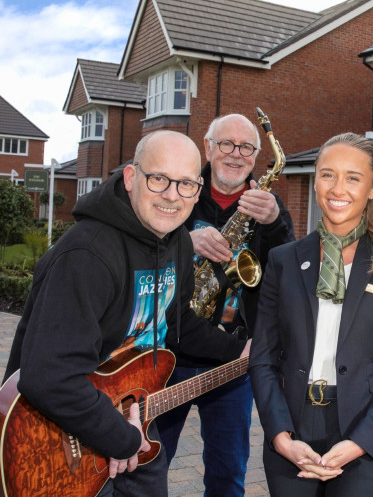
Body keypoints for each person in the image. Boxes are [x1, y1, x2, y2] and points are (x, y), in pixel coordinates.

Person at [3, 130, 249, 496]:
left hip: (128, 423)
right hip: (58, 444)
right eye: (159, 179)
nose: (171, 195)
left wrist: (238, 350)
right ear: (132, 178)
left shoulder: (178, 243)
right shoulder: (87, 255)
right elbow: (49, 376)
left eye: (184, 184)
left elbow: (177, 322)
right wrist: (118, 437)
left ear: (197, 191)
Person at [250, 132, 373, 496]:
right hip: (293, 427)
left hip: (365, 430)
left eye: (353, 177)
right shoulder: (283, 260)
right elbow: (263, 359)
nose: (338, 188)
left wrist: (361, 442)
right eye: (328, 174)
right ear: (315, 181)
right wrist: (281, 437)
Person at [154, 113, 294, 497]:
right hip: (169, 357)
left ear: (256, 156)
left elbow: (287, 272)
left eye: (246, 147)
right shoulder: (177, 191)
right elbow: (142, 243)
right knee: (149, 466)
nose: (236, 154)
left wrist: (276, 222)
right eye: (226, 144)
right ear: (208, 147)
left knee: (228, 474)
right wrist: (186, 241)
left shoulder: (267, 204)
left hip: (233, 362)